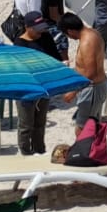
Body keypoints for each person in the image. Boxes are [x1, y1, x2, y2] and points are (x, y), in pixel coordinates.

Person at [12, 11, 67, 155]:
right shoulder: (19, 44)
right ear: (27, 27)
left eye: (42, 27)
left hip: (44, 87)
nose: (40, 32)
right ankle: (25, 153)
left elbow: (55, 57)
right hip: (26, 89)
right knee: (26, 124)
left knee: (40, 123)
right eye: (37, 29)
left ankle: (40, 150)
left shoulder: (46, 37)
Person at [58, 13, 107, 129]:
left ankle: (86, 148)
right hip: (97, 86)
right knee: (94, 126)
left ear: (70, 31)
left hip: (92, 89)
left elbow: (90, 72)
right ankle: (96, 147)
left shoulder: (87, 42)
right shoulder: (93, 33)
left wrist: (73, 92)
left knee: (82, 129)